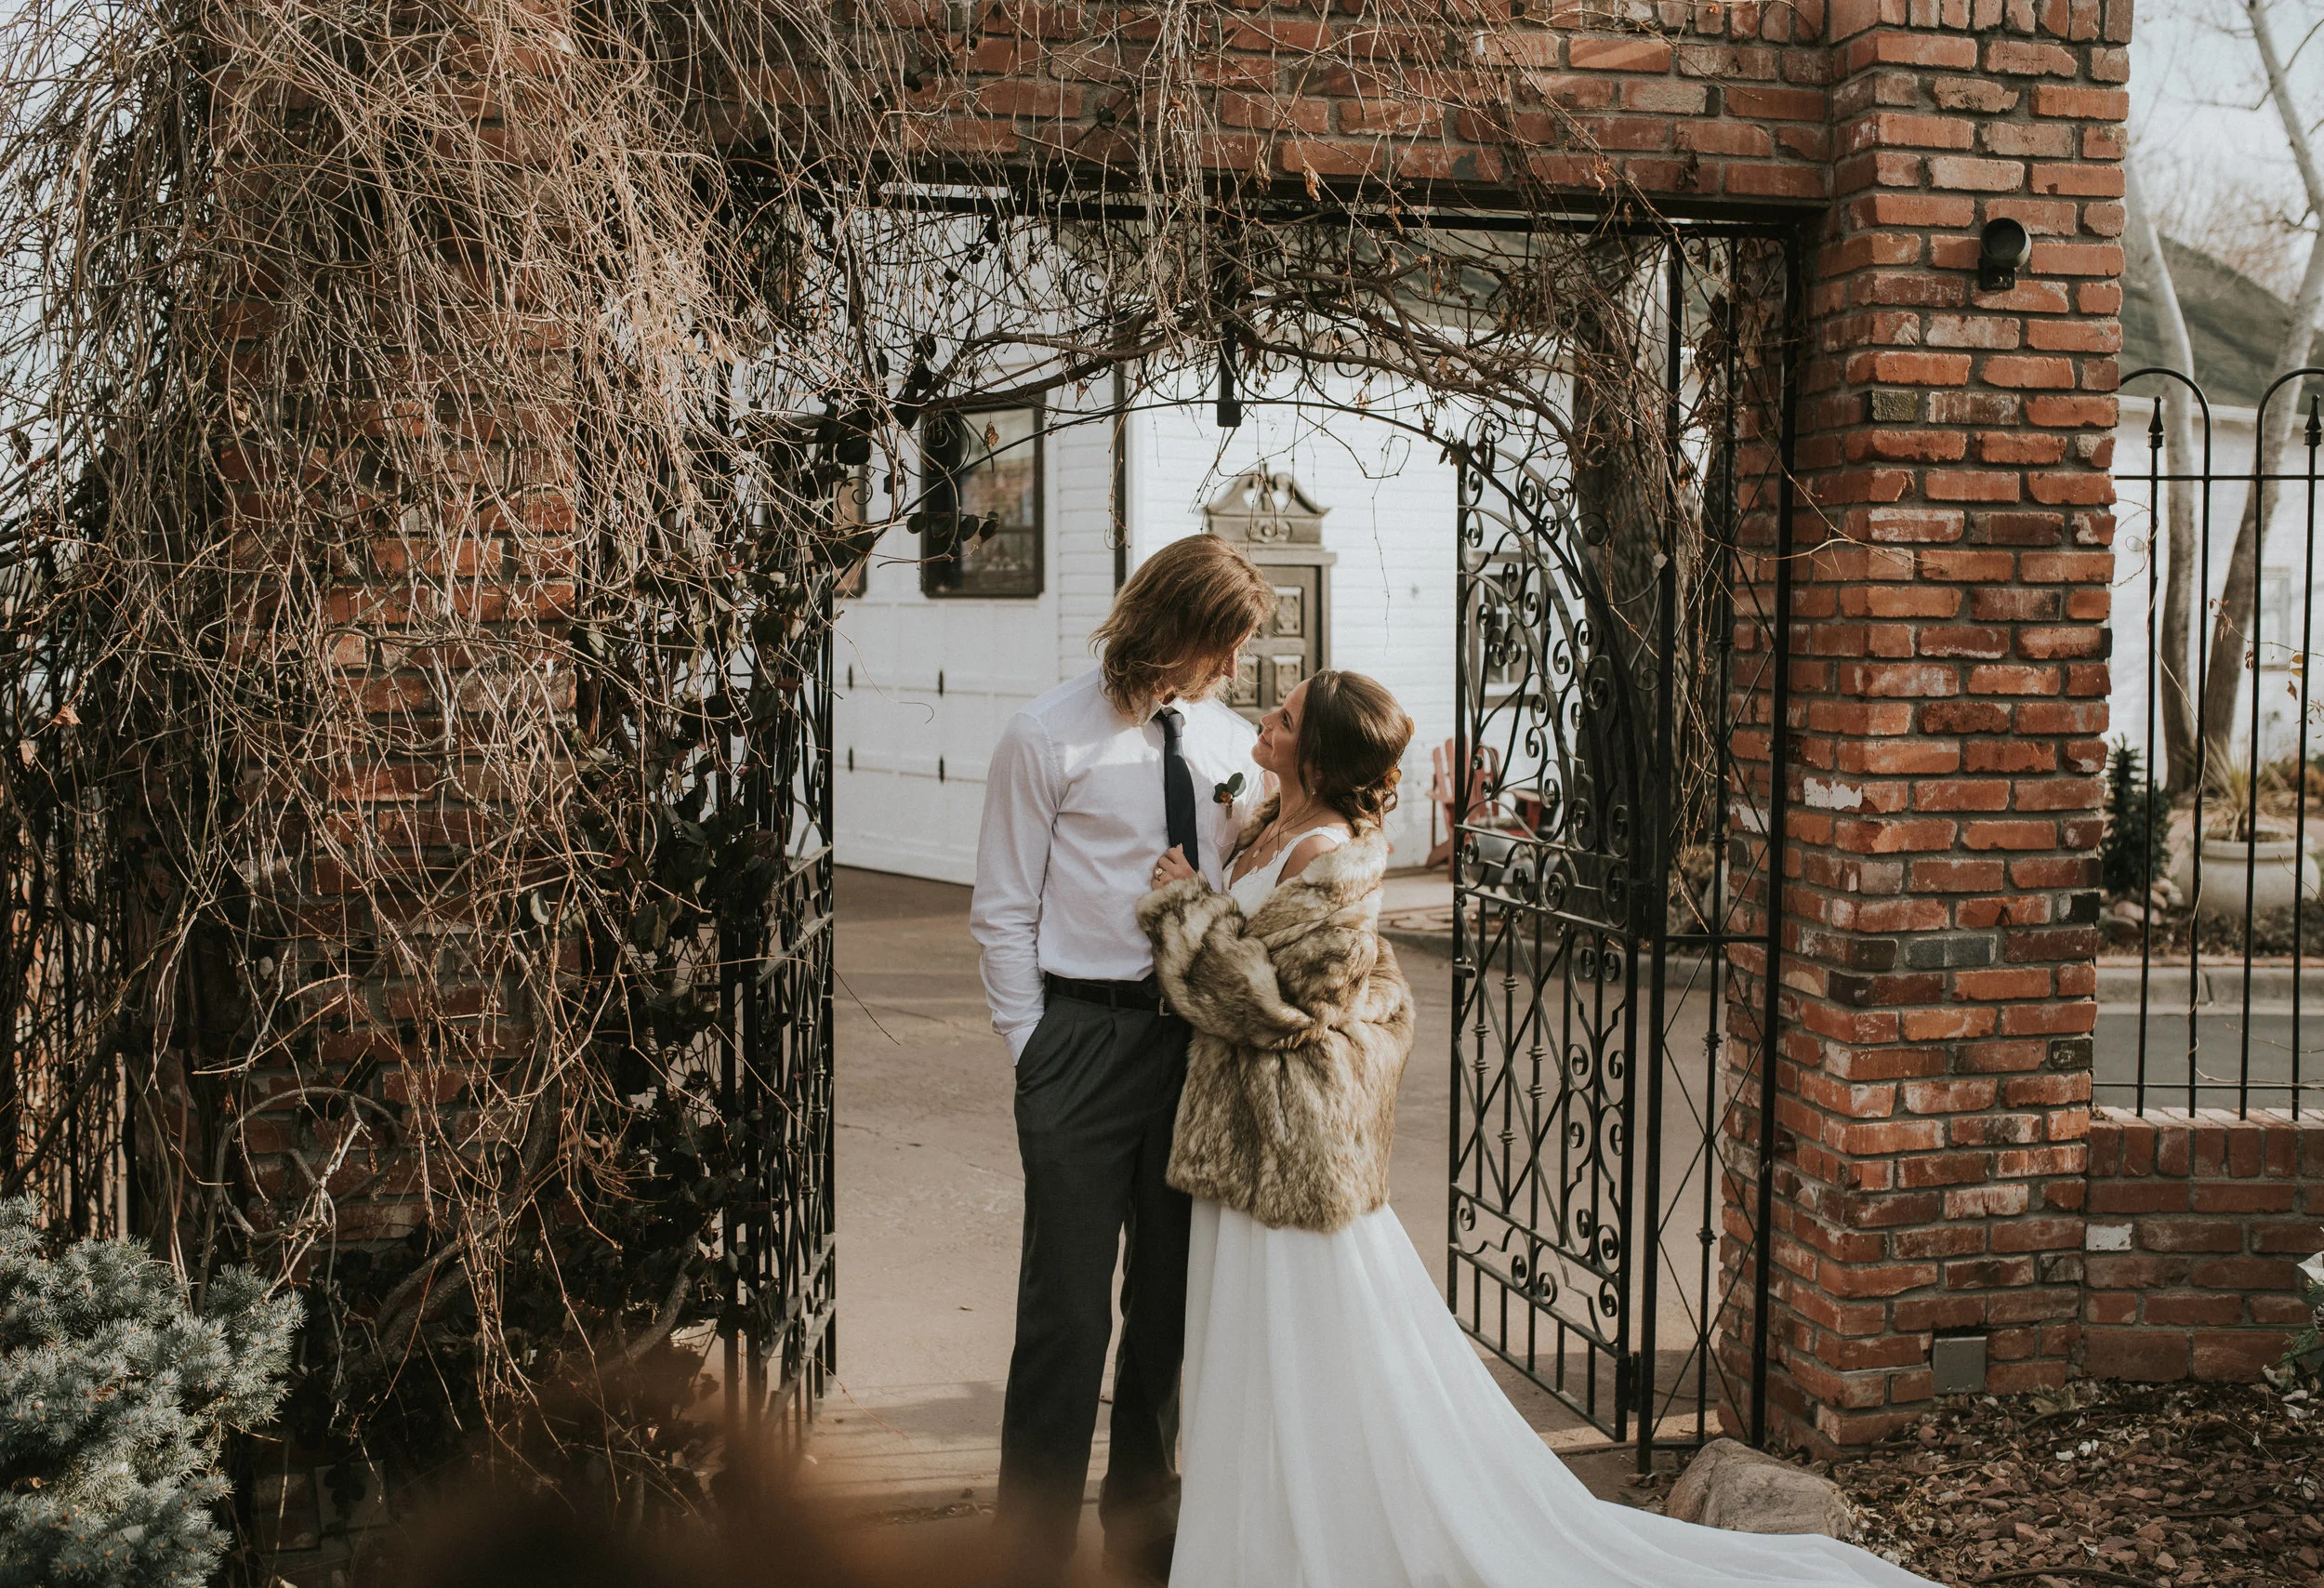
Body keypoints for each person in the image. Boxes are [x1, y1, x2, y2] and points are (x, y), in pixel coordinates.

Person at [1136, 671, 1935, 1588]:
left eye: (1285, 718)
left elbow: (1273, 1006)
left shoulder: (1328, 853)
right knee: (1253, 1349)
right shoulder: (1272, 825)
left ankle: (1308, 1542)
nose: (1267, 719)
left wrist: (1187, 911)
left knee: (1298, 1349)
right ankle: (1259, 1536)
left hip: (1288, 1152)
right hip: (1245, 1140)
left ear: (1316, 755)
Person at [969, 533, 1275, 1584]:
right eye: (1222, 642)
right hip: (1081, 1044)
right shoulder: (1044, 736)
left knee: (1168, 1312)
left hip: (1194, 1049)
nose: (1233, 666)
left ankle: (1144, 1546)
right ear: (1172, 626)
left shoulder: (1231, 743)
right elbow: (1002, 907)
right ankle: (1027, 1555)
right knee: (1063, 1311)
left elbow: (1236, 897)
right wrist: (1035, 1047)